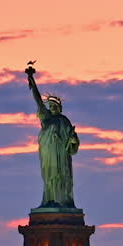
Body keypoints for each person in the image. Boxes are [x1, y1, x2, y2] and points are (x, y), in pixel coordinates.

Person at [26, 66, 80, 209]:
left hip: (61, 155)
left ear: (59, 107)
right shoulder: (46, 118)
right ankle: (50, 200)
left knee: (61, 177)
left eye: (54, 105)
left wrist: (74, 141)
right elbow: (38, 101)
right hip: (48, 154)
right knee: (49, 177)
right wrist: (32, 81)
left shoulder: (64, 121)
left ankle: (62, 201)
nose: (52, 108)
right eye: (50, 105)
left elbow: (73, 144)